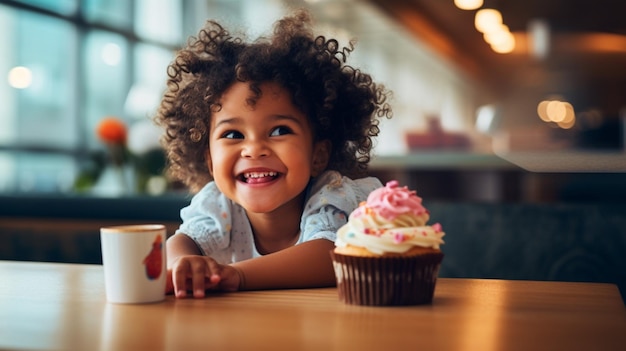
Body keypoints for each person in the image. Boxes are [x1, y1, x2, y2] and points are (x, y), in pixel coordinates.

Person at [153, 9, 392, 298]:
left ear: (318, 154)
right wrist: (184, 264)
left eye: (279, 131)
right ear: (209, 160)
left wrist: (238, 275)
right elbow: (181, 242)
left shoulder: (330, 195)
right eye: (233, 134)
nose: (254, 149)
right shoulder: (218, 204)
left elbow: (332, 255)